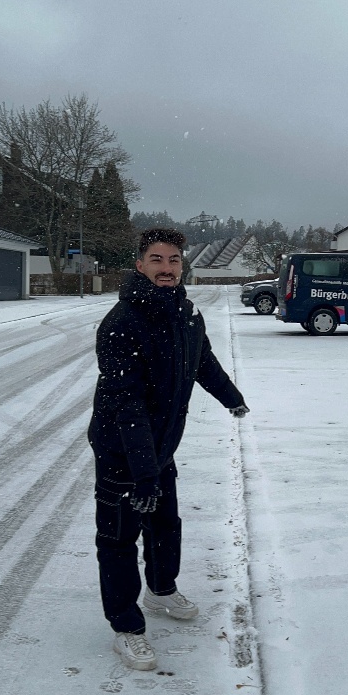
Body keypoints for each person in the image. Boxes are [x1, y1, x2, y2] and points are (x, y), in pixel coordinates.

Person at [87, 228, 249, 670]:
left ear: (183, 265)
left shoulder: (186, 313)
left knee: (164, 524)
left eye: (174, 260)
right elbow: (126, 404)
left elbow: (203, 361)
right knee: (119, 539)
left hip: (159, 449)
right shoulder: (122, 323)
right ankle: (126, 627)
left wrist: (230, 396)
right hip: (123, 452)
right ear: (140, 265)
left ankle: (161, 590)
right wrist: (142, 471)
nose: (166, 268)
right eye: (156, 260)